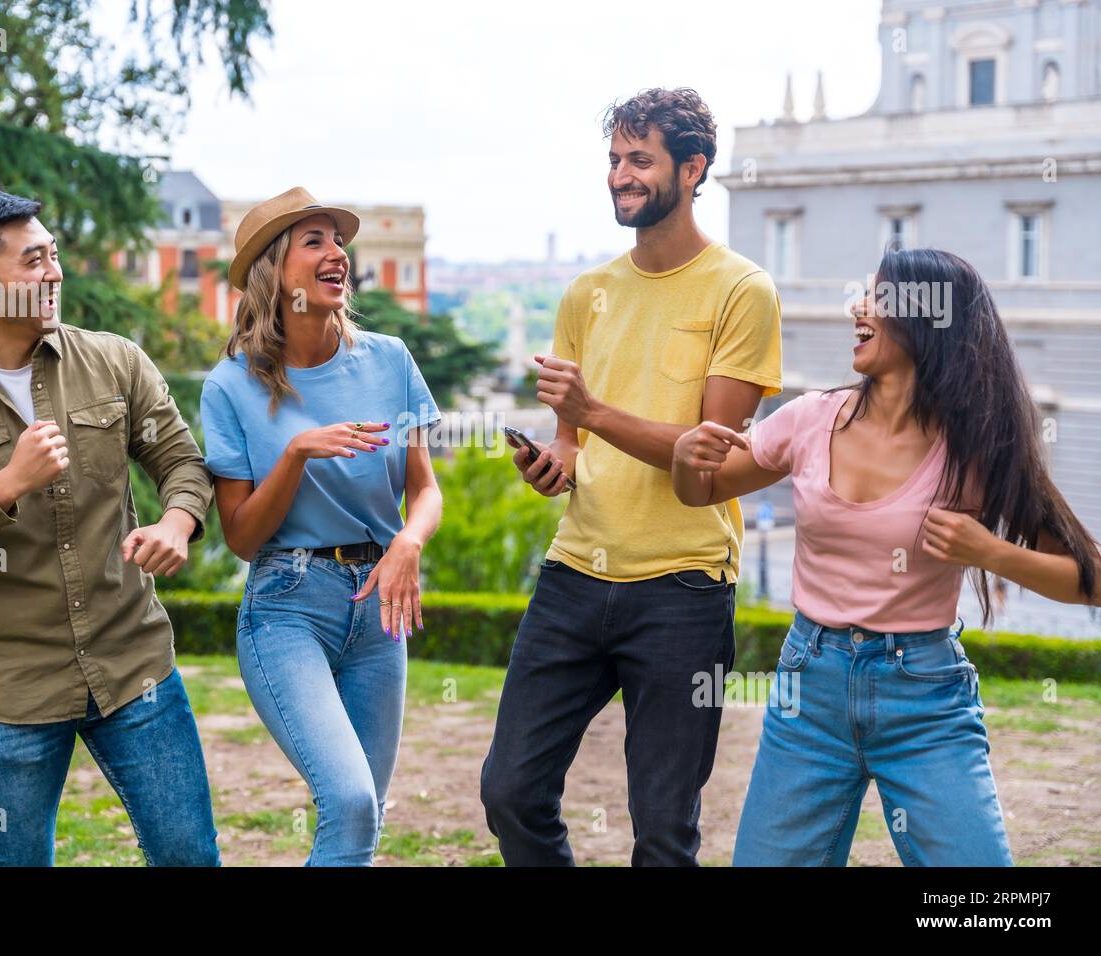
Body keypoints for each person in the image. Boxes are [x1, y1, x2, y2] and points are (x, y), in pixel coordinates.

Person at [672, 247, 1101, 866]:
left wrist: (990, 552)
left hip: (924, 700)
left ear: (928, 318)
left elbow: (1089, 581)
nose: (858, 308)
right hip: (808, 694)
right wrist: (689, 461)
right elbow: (702, 492)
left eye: (878, 297)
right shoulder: (811, 418)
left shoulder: (978, 445)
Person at [479, 88, 783, 866]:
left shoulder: (742, 291)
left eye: (639, 160)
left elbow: (712, 460)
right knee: (510, 792)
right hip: (574, 575)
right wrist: (557, 462)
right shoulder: (588, 294)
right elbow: (575, 443)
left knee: (663, 828)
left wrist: (596, 413)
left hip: (683, 589)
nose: (621, 175)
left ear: (693, 168)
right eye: (615, 159)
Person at [0, 190, 219, 865]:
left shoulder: (115, 362)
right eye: (34, 261)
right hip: (11, 694)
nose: (55, 273)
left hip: (135, 668)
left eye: (54, 255)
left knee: (189, 858)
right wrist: (5, 485)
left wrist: (179, 521)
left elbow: (182, 460)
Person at [202, 187, 443, 866]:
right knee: (350, 799)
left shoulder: (390, 361)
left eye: (338, 240)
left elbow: (425, 490)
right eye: (315, 241)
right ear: (275, 272)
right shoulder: (231, 386)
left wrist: (408, 541)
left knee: (364, 819)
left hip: (380, 609)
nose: (337, 253)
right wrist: (297, 453)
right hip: (287, 609)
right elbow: (243, 538)